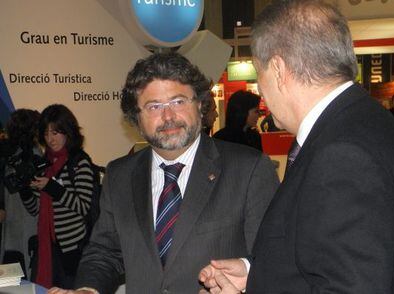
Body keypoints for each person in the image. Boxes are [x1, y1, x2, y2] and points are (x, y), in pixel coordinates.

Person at [199, 1, 394, 293]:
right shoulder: (360, 122)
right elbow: (322, 254)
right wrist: (256, 274)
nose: (261, 90)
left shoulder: (344, 153)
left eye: (259, 73)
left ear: (277, 69)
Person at [48, 52, 279, 294]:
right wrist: (88, 289)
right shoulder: (120, 175)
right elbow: (106, 251)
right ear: (136, 118)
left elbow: (273, 259)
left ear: (200, 104)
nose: (168, 117)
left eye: (178, 102)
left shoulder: (249, 169)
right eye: (154, 106)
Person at [19, 104, 94, 289]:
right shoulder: (45, 164)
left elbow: (83, 206)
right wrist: (25, 190)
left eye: (55, 132)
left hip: (72, 248)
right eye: (46, 133)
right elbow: (35, 210)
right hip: (47, 248)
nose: (50, 139)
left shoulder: (79, 162)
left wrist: (52, 187)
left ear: (67, 131)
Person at [0, 109, 40, 278]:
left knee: (12, 286)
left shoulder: (9, 157)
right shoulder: (35, 157)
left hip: (13, 235)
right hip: (27, 233)